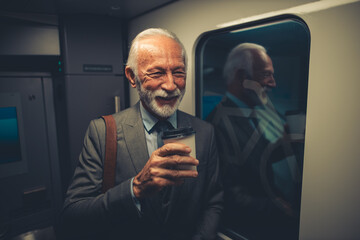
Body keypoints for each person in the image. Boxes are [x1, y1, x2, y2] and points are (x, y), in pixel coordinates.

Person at [59, 28, 223, 240]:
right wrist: (135, 189)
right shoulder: (102, 132)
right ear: (132, 76)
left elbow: (213, 202)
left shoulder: (205, 132)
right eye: (157, 73)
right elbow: (73, 216)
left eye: (179, 72)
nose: (171, 85)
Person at [207, 43, 301, 239]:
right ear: (242, 77)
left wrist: (286, 143)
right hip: (246, 228)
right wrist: (277, 205)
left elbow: (258, 157)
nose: (273, 83)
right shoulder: (219, 124)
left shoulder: (246, 112)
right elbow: (231, 196)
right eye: (267, 75)